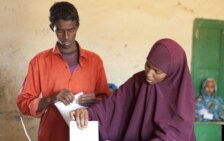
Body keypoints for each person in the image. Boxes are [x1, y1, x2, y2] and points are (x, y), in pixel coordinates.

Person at [16, 1, 111, 141]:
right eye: (60, 31)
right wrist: (50, 99)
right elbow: (23, 104)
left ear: (77, 27)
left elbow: (107, 101)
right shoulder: (39, 62)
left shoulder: (94, 61)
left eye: (71, 30)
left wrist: (95, 100)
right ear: (51, 28)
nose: (66, 37)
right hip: (52, 135)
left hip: (85, 134)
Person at [70, 38, 196, 141]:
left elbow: (175, 135)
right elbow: (112, 104)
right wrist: (90, 113)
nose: (149, 74)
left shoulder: (181, 96)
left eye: (157, 71)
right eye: (147, 65)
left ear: (172, 72)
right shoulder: (139, 81)